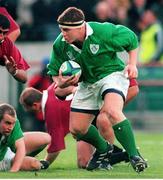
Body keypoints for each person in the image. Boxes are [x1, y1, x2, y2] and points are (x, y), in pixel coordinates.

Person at [47, 7, 147, 172]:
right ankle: (105, 149)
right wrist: (63, 83)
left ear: (80, 27)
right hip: (87, 84)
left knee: (111, 112)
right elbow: (54, 74)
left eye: (66, 30)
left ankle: (134, 155)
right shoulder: (60, 44)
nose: (63, 33)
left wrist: (132, 63)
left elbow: (131, 38)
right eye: (61, 29)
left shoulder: (103, 31)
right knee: (77, 130)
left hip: (111, 75)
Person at [19, 79, 138, 169]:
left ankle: (126, 154)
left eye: (30, 110)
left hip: (90, 117)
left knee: (86, 160)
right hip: (83, 123)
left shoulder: (51, 110)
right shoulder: (52, 88)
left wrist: (45, 163)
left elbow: (56, 146)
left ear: (35, 105)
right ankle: (124, 154)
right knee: (83, 161)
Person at [0, 103, 51, 172]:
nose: (11, 128)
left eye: (13, 123)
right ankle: (33, 163)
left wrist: (13, 171)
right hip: (2, 158)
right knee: (34, 164)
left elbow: (20, 147)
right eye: (8, 123)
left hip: (7, 149)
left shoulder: (13, 122)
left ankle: (22, 159)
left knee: (46, 138)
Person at [0, 14, 29, 83]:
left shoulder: (7, 43)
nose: (1, 37)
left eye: (5, 33)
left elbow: (24, 78)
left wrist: (15, 72)